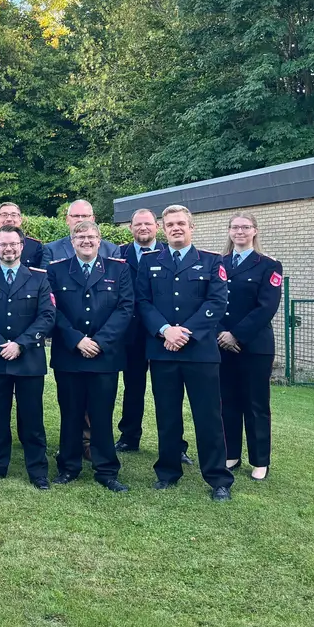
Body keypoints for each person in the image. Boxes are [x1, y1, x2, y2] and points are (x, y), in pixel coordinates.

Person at [133, 205, 234, 500]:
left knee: (208, 417)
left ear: (192, 227)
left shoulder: (212, 261)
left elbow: (216, 303)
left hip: (199, 353)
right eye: (170, 224)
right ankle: (167, 471)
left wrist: (184, 332)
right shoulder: (150, 261)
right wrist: (166, 330)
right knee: (167, 415)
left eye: (181, 223)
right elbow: (142, 302)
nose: (176, 228)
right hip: (163, 351)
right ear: (163, 229)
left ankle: (218, 479)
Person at [47, 221, 136, 492]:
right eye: (81, 236)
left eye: (91, 236)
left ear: (100, 240)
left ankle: (106, 470)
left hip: (104, 355)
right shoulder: (56, 270)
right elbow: (52, 310)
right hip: (70, 354)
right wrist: (77, 340)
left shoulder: (118, 269)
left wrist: (99, 341)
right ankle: (68, 467)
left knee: (101, 414)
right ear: (72, 241)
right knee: (70, 413)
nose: (86, 241)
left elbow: (125, 308)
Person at [0, 228, 56, 488]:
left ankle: (38, 471)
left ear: (22, 246)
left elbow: (47, 316)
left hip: (28, 358)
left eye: (13, 244)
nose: (8, 249)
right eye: (3, 244)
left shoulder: (39, 278)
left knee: (32, 419)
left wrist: (20, 344)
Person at [217, 213, 283, 482]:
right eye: (235, 227)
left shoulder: (268, 265)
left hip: (254, 346)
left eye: (245, 227)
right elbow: (212, 300)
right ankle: (231, 453)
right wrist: (221, 332)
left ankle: (260, 460)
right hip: (221, 344)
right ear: (229, 231)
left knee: (256, 404)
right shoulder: (219, 263)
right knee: (228, 402)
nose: (240, 231)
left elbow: (266, 307)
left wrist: (237, 335)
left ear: (255, 231)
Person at [115, 208, 168, 454]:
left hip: (161, 333)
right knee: (133, 386)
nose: (142, 228)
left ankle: (174, 444)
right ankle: (129, 436)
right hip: (130, 333)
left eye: (147, 223)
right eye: (137, 224)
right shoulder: (120, 254)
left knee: (168, 390)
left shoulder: (169, 253)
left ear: (157, 226)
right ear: (130, 228)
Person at [42, 200, 121, 263]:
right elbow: (45, 281)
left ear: (93, 219)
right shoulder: (51, 250)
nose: (80, 219)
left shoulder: (112, 251)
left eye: (84, 216)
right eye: (75, 216)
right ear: (67, 219)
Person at [0, 202, 44, 269]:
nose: (9, 219)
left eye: (13, 215)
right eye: (4, 215)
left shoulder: (34, 246)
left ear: (20, 220)